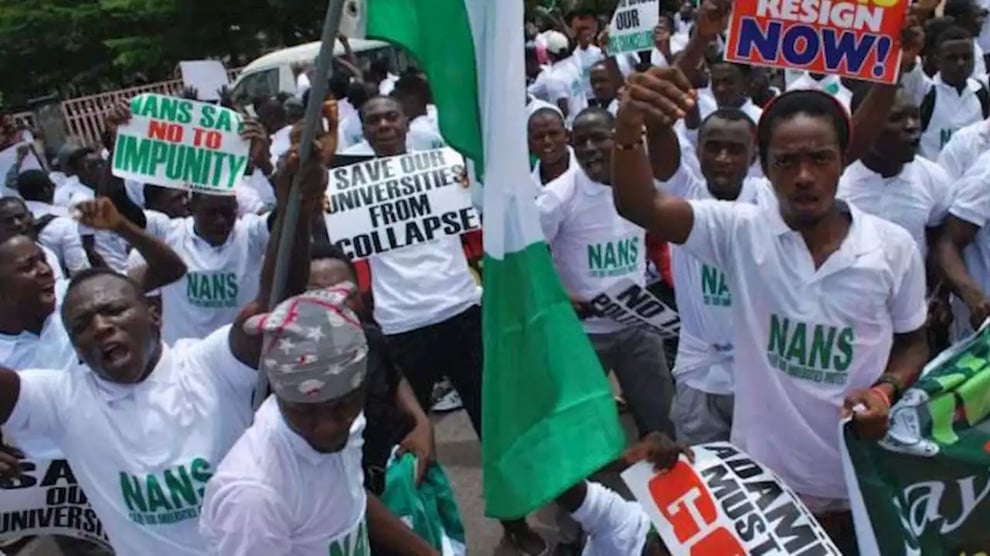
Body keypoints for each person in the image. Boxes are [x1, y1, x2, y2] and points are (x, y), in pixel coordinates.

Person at [611, 57, 928, 556]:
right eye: (785, 161)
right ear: (764, 164)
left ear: (843, 159)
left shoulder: (891, 248)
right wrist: (628, 130)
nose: (804, 176)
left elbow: (913, 341)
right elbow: (640, 206)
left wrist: (886, 391)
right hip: (762, 491)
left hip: (861, 486)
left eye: (820, 159)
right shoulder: (739, 230)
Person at [0, 122, 328, 555]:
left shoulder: (209, 365)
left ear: (154, 314)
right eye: (81, 326)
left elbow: (275, 304)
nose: (99, 327)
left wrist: (294, 210)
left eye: (113, 311)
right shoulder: (62, 398)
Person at [338, 95, 546, 555]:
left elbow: (477, 227)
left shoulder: (444, 168)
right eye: (374, 120)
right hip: (400, 327)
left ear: (406, 123)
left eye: (392, 116)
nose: (384, 125)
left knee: (492, 426)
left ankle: (514, 520)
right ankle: (426, 530)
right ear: (365, 131)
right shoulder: (350, 187)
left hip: (460, 311)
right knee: (408, 439)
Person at [199, 287, 440, 556]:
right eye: (304, 412)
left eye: (342, 405)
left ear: (362, 386)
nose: (328, 428)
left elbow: (346, 496)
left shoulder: (349, 423)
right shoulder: (253, 498)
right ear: (279, 395)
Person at [649, 108, 771, 445]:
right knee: (704, 477)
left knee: (761, 479)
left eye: (735, 150)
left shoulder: (771, 199)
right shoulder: (682, 191)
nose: (723, 158)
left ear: (754, 155)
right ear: (697, 149)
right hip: (699, 372)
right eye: (713, 147)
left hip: (760, 377)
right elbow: (659, 137)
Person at [130, 118, 274, 345]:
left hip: (242, 359)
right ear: (191, 207)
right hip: (186, 367)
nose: (221, 221)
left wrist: (266, 165)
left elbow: (286, 218)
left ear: (236, 208)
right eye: (211, 213)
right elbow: (119, 208)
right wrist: (120, 137)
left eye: (227, 212)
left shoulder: (249, 233)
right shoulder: (168, 232)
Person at [838, 87, 954, 260]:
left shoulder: (934, 178)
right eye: (895, 118)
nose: (911, 126)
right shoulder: (835, 181)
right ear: (865, 124)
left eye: (915, 116)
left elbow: (940, 241)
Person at [902, 26, 990, 159]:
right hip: (934, 176)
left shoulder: (981, 91)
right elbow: (909, 68)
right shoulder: (926, 91)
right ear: (937, 60)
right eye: (952, 58)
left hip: (973, 177)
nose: (961, 63)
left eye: (966, 57)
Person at [391, 74, 445, 150]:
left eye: (400, 100)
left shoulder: (417, 131)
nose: (397, 106)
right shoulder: (440, 115)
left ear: (412, 101)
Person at [545, 30, 587, 125]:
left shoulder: (554, 78)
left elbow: (563, 111)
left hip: (570, 127)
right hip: (583, 120)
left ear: (548, 53)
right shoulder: (573, 66)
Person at [943, 0, 989, 83]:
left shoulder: (975, 45)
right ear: (962, 18)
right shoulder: (951, 48)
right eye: (977, 16)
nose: (982, 21)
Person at [528, 107, 574, 187]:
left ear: (567, 135)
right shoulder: (526, 186)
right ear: (529, 143)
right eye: (539, 136)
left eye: (553, 134)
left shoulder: (590, 172)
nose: (547, 141)